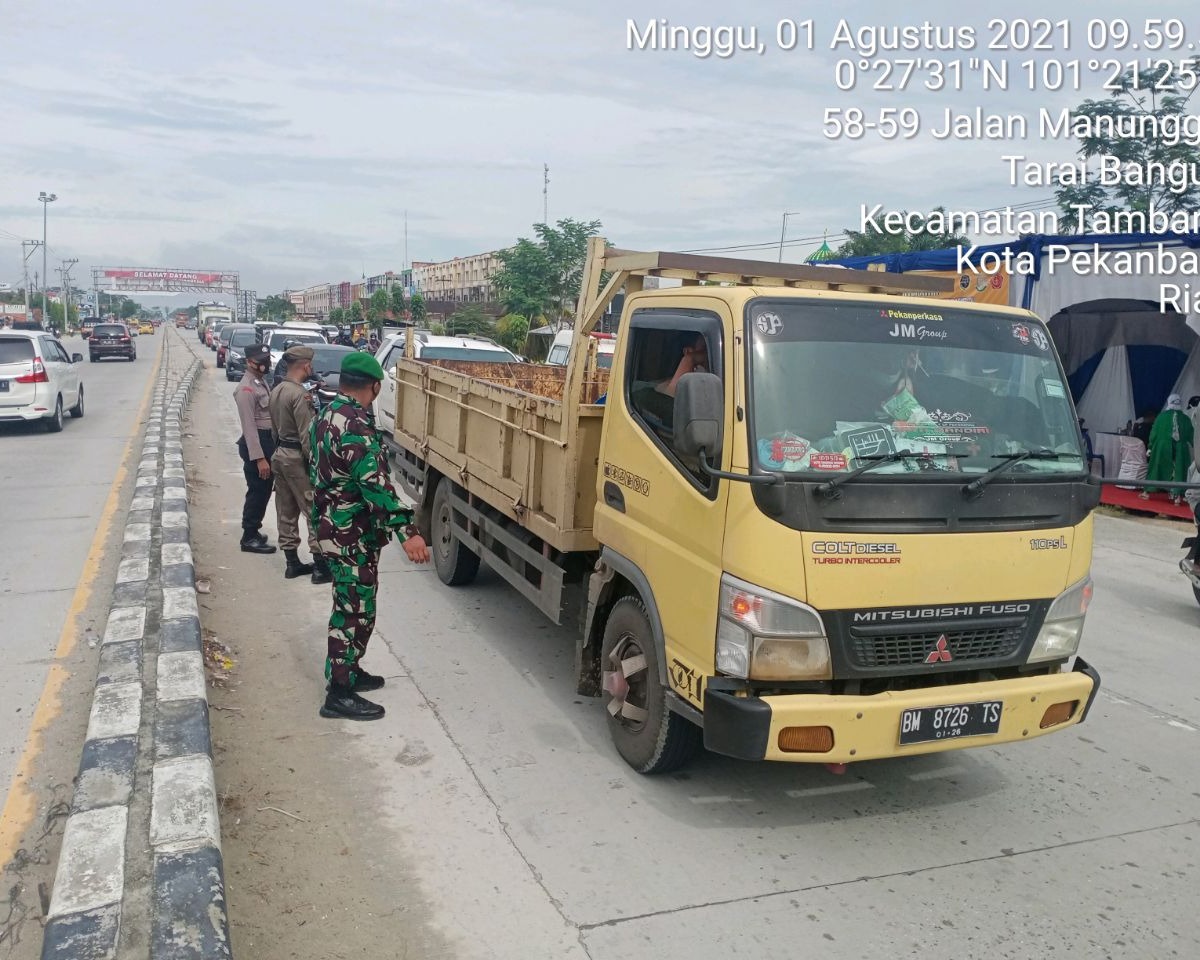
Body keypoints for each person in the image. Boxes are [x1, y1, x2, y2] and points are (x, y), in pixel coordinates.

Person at [309, 352, 431, 720]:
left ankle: (348, 670)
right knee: (354, 611)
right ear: (375, 386)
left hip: (333, 527)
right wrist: (409, 533)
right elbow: (376, 488)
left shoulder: (326, 415)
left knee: (351, 605)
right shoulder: (356, 427)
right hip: (350, 536)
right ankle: (339, 693)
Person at [268, 344, 332, 584]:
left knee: (286, 509)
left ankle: (292, 563)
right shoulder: (300, 395)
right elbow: (307, 435)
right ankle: (320, 567)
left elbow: (273, 428)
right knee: (313, 509)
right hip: (297, 458)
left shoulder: (277, 390)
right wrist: (316, 464)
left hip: (280, 455)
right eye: (311, 364)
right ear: (306, 365)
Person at [234, 343, 277, 553]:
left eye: (266, 360)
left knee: (264, 491)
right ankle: (248, 537)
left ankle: (254, 531)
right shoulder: (246, 389)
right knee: (257, 492)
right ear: (249, 362)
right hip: (256, 444)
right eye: (260, 361)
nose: (265, 364)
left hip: (266, 441)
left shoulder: (260, 382)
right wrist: (260, 458)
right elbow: (249, 427)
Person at [1142, 394, 1195, 504]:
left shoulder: (1161, 417)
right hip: (1181, 449)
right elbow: (1192, 435)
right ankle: (1177, 496)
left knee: (1156, 468)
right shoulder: (1185, 419)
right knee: (1179, 471)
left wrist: (1150, 447)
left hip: (1162, 448)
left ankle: (1147, 492)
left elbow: (1154, 433)